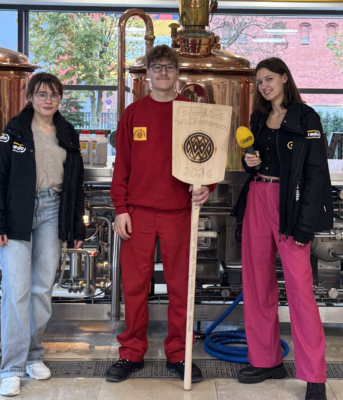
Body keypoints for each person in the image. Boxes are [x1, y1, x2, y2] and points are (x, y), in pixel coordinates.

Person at [107, 44, 214, 383]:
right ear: (148, 73)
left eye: (169, 66)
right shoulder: (133, 113)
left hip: (179, 213)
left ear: (177, 72)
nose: (163, 72)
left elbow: (207, 158)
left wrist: (205, 187)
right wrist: (121, 209)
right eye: (157, 67)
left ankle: (179, 354)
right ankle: (131, 352)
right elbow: (121, 165)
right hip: (137, 213)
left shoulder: (193, 112)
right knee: (134, 286)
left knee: (181, 286)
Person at [234, 57, 333, 400]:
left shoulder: (307, 118)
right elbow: (257, 159)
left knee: (300, 290)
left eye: (270, 78)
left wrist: (305, 223)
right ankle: (265, 360)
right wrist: (250, 163)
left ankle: (314, 375)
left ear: (285, 78)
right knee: (258, 284)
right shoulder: (259, 118)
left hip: (290, 205)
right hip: (258, 198)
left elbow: (317, 174)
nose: (264, 85)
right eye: (260, 80)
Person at [0, 72, 86, 397]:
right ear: (30, 96)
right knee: (16, 290)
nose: (48, 100)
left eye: (54, 95)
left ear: (60, 98)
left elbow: (75, 186)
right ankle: (11, 367)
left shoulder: (68, 134)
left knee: (42, 288)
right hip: (17, 214)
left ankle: (33, 354)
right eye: (41, 94)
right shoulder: (14, 131)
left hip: (52, 211)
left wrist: (76, 227)